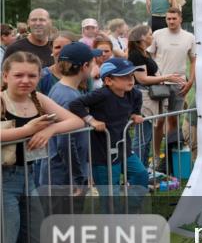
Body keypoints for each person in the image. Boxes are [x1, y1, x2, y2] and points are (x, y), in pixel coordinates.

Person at [1, 52, 85, 243]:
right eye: (18, 75)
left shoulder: (38, 99)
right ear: (5, 76)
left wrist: (50, 128)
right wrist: (26, 131)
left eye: (32, 75)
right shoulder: (2, 101)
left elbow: (75, 121)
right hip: (3, 181)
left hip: (28, 180)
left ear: (40, 77)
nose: (25, 80)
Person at [68, 58, 148, 194]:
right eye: (124, 77)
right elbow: (75, 104)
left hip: (124, 148)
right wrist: (92, 120)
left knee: (141, 174)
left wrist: (135, 114)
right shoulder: (101, 94)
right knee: (111, 192)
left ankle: (131, 205)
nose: (131, 80)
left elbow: (137, 100)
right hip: (102, 154)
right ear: (108, 81)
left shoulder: (134, 93)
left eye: (131, 75)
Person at [40, 42, 102, 190]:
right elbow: (65, 143)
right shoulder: (69, 97)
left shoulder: (61, 88)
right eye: (92, 62)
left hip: (62, 172)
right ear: (85, 66)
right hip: (64, 176)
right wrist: (78, 178)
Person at [126, 24, 185, 167]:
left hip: (149, 97)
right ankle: (138, 169)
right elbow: (142, 79)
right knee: (142, 137)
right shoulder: (136, 55)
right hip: (143, 97)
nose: (152, 37)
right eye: (150, 34)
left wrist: (163, 78)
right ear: (142, 37)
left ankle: (144, 168)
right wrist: (167, 77)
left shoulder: (144, 53)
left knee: (146, 137)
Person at [148, 7, 195, 157]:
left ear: (180, 19)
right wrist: (156, 77)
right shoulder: (157, 34)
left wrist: (190, 82)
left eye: (174, 18)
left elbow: (193, 60)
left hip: (179, 84)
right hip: (161, 83)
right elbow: (150, 57)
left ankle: (170, 155)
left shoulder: (189, 37)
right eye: (168, 18)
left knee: (174, 120)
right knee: (159, 121)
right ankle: (156, 156)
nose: (171, 21)